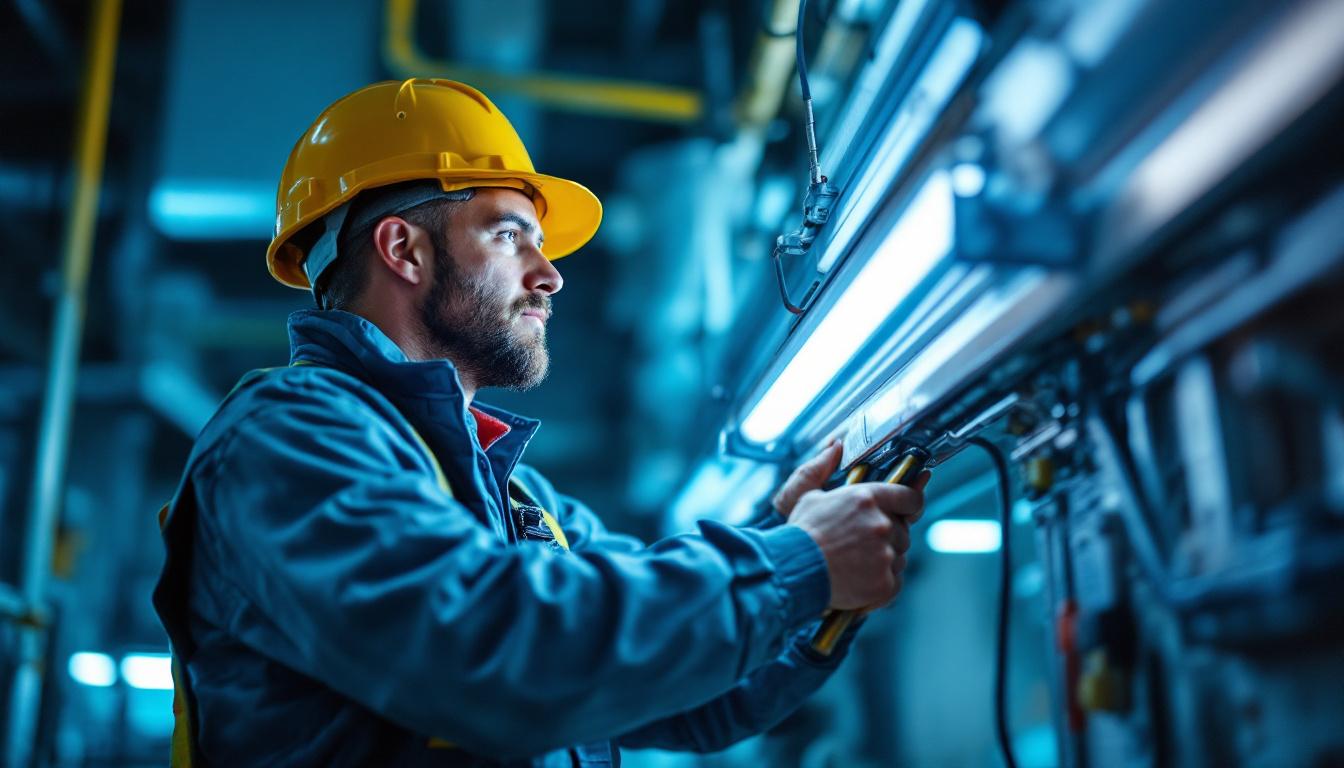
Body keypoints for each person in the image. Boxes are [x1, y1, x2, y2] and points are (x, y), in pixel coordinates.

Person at [152, 78, 927, 767]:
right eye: (509, 235)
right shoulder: (287, 438)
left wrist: (805, 560)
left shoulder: (513, 496)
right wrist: (797, 563)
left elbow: (688, 692)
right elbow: (492, 651)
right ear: (404, 250)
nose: (549, 274)